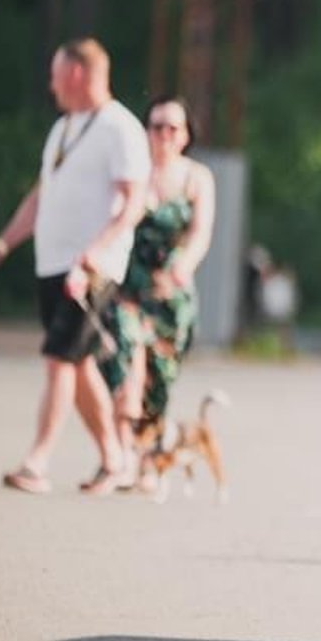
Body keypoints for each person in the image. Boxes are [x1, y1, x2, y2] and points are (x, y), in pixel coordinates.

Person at [0, 38, 151, 496]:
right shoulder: (65, 128)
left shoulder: (120, 128)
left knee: (57, 359)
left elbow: (133, 204)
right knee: (77, 362)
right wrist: (3, 243)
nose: (51, 85)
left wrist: (96, 251)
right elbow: (41, 196)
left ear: (76, 74)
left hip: (91, 268)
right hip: (51, 263)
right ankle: (116, 459)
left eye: (56, 75)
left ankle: (38, 461)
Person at [98, 96, 217, 493]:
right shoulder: (134, 173)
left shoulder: (196, 178)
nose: (164, 135)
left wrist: (182, 264)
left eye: (173, 128)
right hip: (128, 289)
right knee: (125, 364)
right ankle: (123, 455)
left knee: (158, 382)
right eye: (156, 127)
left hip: (171, 294)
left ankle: (149, 459)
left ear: (185, 135)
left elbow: (200, 233)